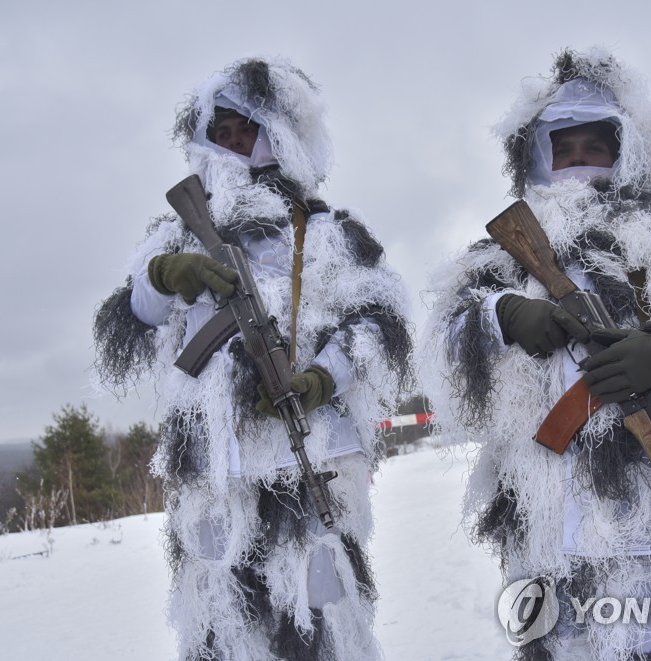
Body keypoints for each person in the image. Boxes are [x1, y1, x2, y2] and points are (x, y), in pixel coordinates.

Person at [420, 47, 651, 660]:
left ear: (624, 152)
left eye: (593, 148)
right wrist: (503, 316)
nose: (575, 162)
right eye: (561, 148)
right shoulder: (501, 256)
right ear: (536, 155)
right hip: (549, 531)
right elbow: (440, 346)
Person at [93, 57, 413, 661]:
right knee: (222, 617)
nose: (236, 144)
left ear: (282, 135)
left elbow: (381, 322)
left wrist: (323, 378)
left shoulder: (327, 232)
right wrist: (164, 276)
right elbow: (128, 321)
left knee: (322, 613)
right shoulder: (177, 233)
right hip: (212, 466)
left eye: (248, 129)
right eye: (223, 133)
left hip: (310, 454)